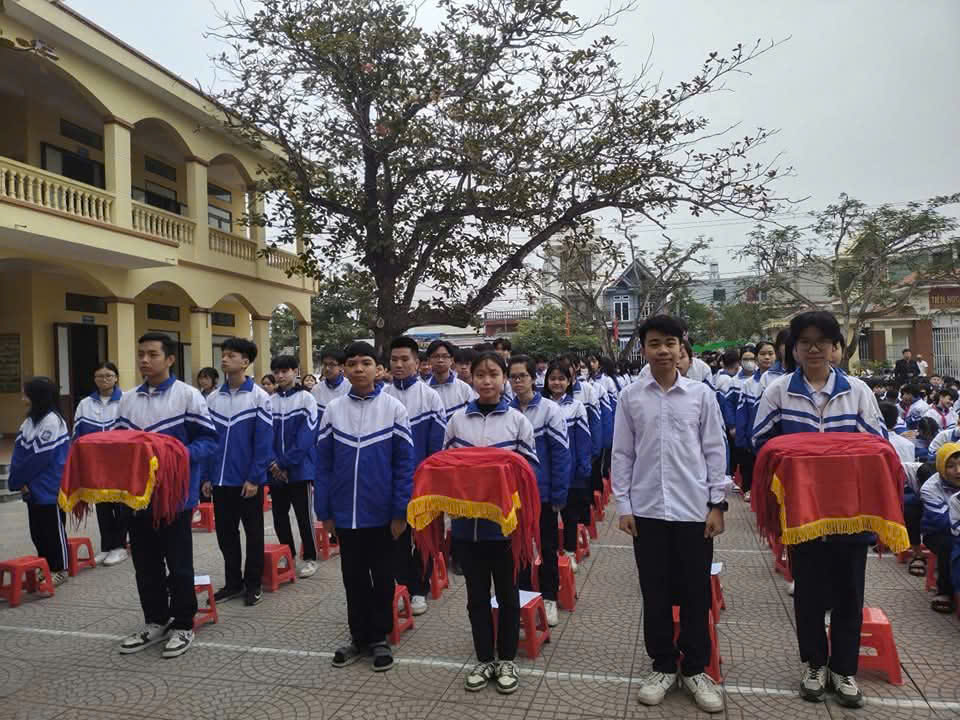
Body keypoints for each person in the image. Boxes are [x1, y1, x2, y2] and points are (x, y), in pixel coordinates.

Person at [752, 311, 886, 709]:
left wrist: (828, 453)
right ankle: (814, 664)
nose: (814, 349)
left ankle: (843, 670)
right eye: (805, 342)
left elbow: (878, 442)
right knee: (808, 592)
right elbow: (761, 443)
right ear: (794, 349)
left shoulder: (857, 391)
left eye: (822, 342)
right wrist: (802, 455)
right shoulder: (778, 391)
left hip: (850, 511)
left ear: (835, 348)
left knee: (849, 592)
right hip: (803, 512)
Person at [612, 315, 728, 714]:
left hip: (693, 510)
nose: (663, 350)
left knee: (696, 592)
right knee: (655, 591)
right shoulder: (630, 397)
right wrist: (624, 506)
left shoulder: (701, 395)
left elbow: (714, 449)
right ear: (643, 349)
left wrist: (717, 504)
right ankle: (662, 665)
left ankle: (695, 668)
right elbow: (622, 454)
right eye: (654, 343)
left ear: (681, 347)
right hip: (647, 511)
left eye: (670, 343)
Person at [116, 333, 218, 658]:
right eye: (141, 354)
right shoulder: (128, 399)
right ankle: (155, 620)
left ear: (170, 359)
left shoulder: (188, 396)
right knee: (145, 564)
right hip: (138, 497)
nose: (145, 360)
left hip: (176, 497)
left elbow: (208, 441)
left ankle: (184, 624)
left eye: (152, 354)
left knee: (179, 564)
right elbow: (120, 445)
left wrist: (175, 457)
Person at [315, 341, 414, 672]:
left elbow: (404, 465)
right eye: (352, 363)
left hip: (382, 514)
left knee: (383, 577)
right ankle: (358, 638)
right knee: (353, 578)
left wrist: (400, 511)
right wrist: (325, 511)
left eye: (366, 363)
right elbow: (323, 465)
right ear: (345, 369)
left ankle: (379, 637)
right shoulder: (333, 410)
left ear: (378, 369)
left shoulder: (394, 409)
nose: (359, 369)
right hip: (345, 514)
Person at [444, 351, 538, 695]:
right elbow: (446, 469)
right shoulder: (457, 421)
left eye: (494, 374)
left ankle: (507, 659)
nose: (486, 381)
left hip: (506, 528)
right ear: (471, 378)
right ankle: (484, 658)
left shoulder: (518, 422)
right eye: (480, 374)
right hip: (467, 527)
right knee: (476, 597)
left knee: (508, 595)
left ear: (504, 379)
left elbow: (529, 474)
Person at [203, 338, 274, 607]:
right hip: (221, 481)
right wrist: (207, 476)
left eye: (231, 355)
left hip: (247, 482)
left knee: (254, 534)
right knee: (226, 535)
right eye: (223, 354)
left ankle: (253, 584)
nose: (224, 359)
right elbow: (208, 441)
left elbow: (263, 443)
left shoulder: (259, 397)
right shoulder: (212, 399)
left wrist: (255, 478)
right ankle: (233, 583)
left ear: (245, 362)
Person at [384, 336, 446, 616]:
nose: (398, 365)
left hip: (423, 481)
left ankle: (419, 589)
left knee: (423, 538)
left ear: (417, 362)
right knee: (396, 536)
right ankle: (402, 585)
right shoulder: (382, 396)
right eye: (394, 360)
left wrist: (428, 481)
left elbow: (436, 446)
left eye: (404, 359)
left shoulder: (430, 397)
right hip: (391, 482)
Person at [509, 354, 571, 627]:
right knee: (518, 548)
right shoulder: (506, 410)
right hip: (513, 496)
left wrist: (559, 493)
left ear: (534, 378)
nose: (517, 382)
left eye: (522, 376)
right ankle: (524, 596)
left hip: (543, 493)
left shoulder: (549, 410)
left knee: (546, 547)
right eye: (513, 377)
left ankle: (549, 597)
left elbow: (560, 454)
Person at [9, 377, 70, 587]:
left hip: (49, 486)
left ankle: (59, 568)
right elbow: (19, 453)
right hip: (31, 484)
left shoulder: (53, 421)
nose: (23, 398)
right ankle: (45, 565)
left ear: (37, 396)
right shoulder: (28, 422)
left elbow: (40, 457)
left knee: (53, 530)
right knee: (37, 531)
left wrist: (21, 478)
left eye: (26, 394)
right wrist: (19, 480)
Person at [72, 362, 129, 566]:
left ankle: (120, 546)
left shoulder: (126, 400)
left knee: (121, 503)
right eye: (99, 376)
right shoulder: (85, 404)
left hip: (121, 463)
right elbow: (77, 434)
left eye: (108, 375)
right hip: (96, 463)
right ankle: (106, 546)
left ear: (116, 378)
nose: (104, 379)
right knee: (102, 504)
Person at [268, 355, 320, 578]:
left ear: (295, 371)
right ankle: (288, 555)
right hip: (274, 471)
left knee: (303, 516)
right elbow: (265, 436)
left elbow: (306, 437)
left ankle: (310, 557)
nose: (280, 375)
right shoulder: (270, 401)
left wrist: (284, 462)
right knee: (279, 517)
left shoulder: (306, 399)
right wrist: (273, 463)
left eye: (285, 371)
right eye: (277, 372)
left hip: (300, 469)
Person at [545, 358, 592, 573]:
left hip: (570, 471)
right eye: (553, 378)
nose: (557, 383)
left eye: (561, 379)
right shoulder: (542, 406)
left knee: (569, 515)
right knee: (548, 517)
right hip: (548, 470)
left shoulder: (576, 406)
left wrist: (583, 466)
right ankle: (551, 553)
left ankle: (570, 552)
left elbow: (583, 439)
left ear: (569, 381)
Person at [920, 443, 960, 614]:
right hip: (937, 532)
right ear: (941, 467)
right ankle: (945, 591)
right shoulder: (930, 488)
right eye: (951, 466)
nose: (958, 471)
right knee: (949, 545)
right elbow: (944, 520)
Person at [734, 341, 776, 502]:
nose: (767, 357)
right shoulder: (749, 384)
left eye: (770, 353)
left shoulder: (783, 381)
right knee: (751, 463)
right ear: (757, 358)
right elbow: (742, 412)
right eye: (763, 354)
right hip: (752, 434)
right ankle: (749, 488)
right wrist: (741, 436)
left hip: (774, 436)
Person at [427, 339, 477, 420]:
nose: (440, 360)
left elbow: (473, 418)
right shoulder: (424, 389)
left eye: (444, 356)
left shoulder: (464, 389)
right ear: (429, 360)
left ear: (451, 360)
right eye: (436, 356)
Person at [313, 347, 351, 414]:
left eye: (332, 364)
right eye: (325, 364)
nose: (327, 368)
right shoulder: (316, 389)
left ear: (341, 367)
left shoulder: (350, 387)